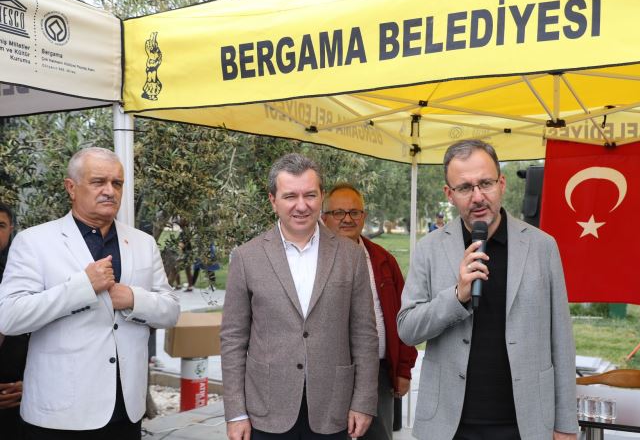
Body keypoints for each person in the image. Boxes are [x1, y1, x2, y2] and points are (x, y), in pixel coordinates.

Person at [397, 139, 578, 440]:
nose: (478, 197)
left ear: (501, 183)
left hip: (526, 423)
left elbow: (561, 341)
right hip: (449, 425)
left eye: (485, 183)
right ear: (449, 194)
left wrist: (566, 424)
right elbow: (407, 329)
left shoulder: (542, 247)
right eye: (465, 188)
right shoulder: (429, 248)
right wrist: (457, 296)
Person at [0, 147, 180, 439]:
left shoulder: (143, 242)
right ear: (71, 187)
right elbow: (9, 317)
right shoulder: (34, 241)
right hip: (61, 413)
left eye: (117, 183)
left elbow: (170, 311)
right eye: (98, 182)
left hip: (126, 410)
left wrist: (133, 299)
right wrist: (82, 288)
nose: (110, 191)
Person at [221, 154, 378, 440]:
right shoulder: (246, 257)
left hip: (333, 408)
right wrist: (235, 412)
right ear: (273, 200)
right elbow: (233, 338)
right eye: (290, 196)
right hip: (266, 410)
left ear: (321, 196)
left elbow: (364, 334)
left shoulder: (351, 256)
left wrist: (364, 401)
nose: (302, 205)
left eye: (310, 195)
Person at [322, 183, 418, 440]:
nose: (347, 219)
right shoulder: (311, 261)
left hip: (377, 374)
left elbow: (404, 316)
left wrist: (403, 370)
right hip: (326, 376)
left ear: (363, 217)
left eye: (354, 212)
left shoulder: (383, 260)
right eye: (338, 213)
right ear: (324, 218)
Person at [0, 203, 27, 440]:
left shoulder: (23, 271)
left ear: (11, 229)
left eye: (0, 225)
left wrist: (31, 382)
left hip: (18, 392)